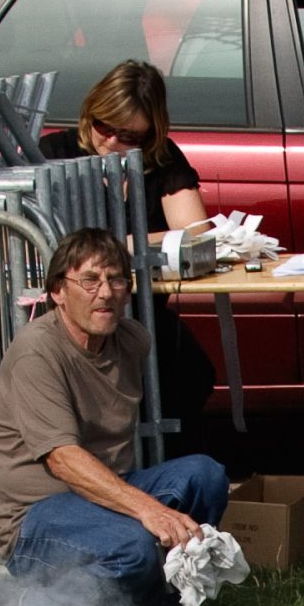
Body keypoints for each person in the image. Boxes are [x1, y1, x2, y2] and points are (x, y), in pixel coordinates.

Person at [0, 227, 230, 606]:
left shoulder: (131, 340)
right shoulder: (36, 352)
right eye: (90, 280)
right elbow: (62, 459)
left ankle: (162, 605)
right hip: (33, 518)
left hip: (101, 496)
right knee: (133, 545)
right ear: (58, 291)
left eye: (117, 280)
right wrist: (151, 511)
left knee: (206, 475)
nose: (106, 292)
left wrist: (158, 513)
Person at [43, 61, 219, 452]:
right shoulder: (58, 152)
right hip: (75, 317)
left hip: (144, 311)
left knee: (190, 370)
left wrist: (105, 244)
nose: (112, 142)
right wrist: (136, 244)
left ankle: (171, 478)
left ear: (152, 133)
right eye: (105, 127)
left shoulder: (161, 157)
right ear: (91, 113)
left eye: (130, 136)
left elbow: (196, 234)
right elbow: (36, 236)